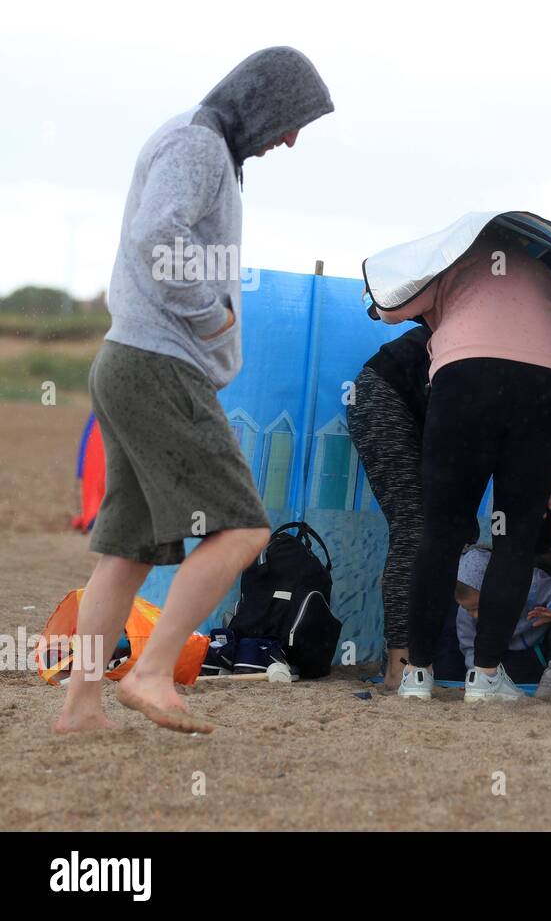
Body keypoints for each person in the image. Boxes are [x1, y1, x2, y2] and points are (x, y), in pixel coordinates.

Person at [55, 47, 334, 734]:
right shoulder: (199, 144)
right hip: (159, 365)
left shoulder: (194, 140)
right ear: (262, 102)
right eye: (290, 121)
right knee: (243, 528)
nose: (290, 139)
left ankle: (80, 705)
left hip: (127, 360)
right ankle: (150, 672)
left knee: (126, 551)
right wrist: (213, 316)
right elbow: (159, 237)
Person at [378, 226, 551, 703]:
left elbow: (390, 307)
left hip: (466, 377)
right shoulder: (547, 275)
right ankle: (487, 676)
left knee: (441, 532)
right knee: (515, 540)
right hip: (548, 384)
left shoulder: (452, 261)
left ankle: (417, 675)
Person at [346, 324, 436, 689]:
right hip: (385, 395)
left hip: (400, 401)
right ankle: (399, 668)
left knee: (420, 534)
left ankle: (403, 663)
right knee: (414, 530)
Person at [453, 547, 551, 696]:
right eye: (468, 609)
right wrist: (476, 675)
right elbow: (469, 646)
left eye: (477, 608)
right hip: (508, 655)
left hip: (539, 645)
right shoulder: (465, 612)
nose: (474, 615)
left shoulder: (527, 584)